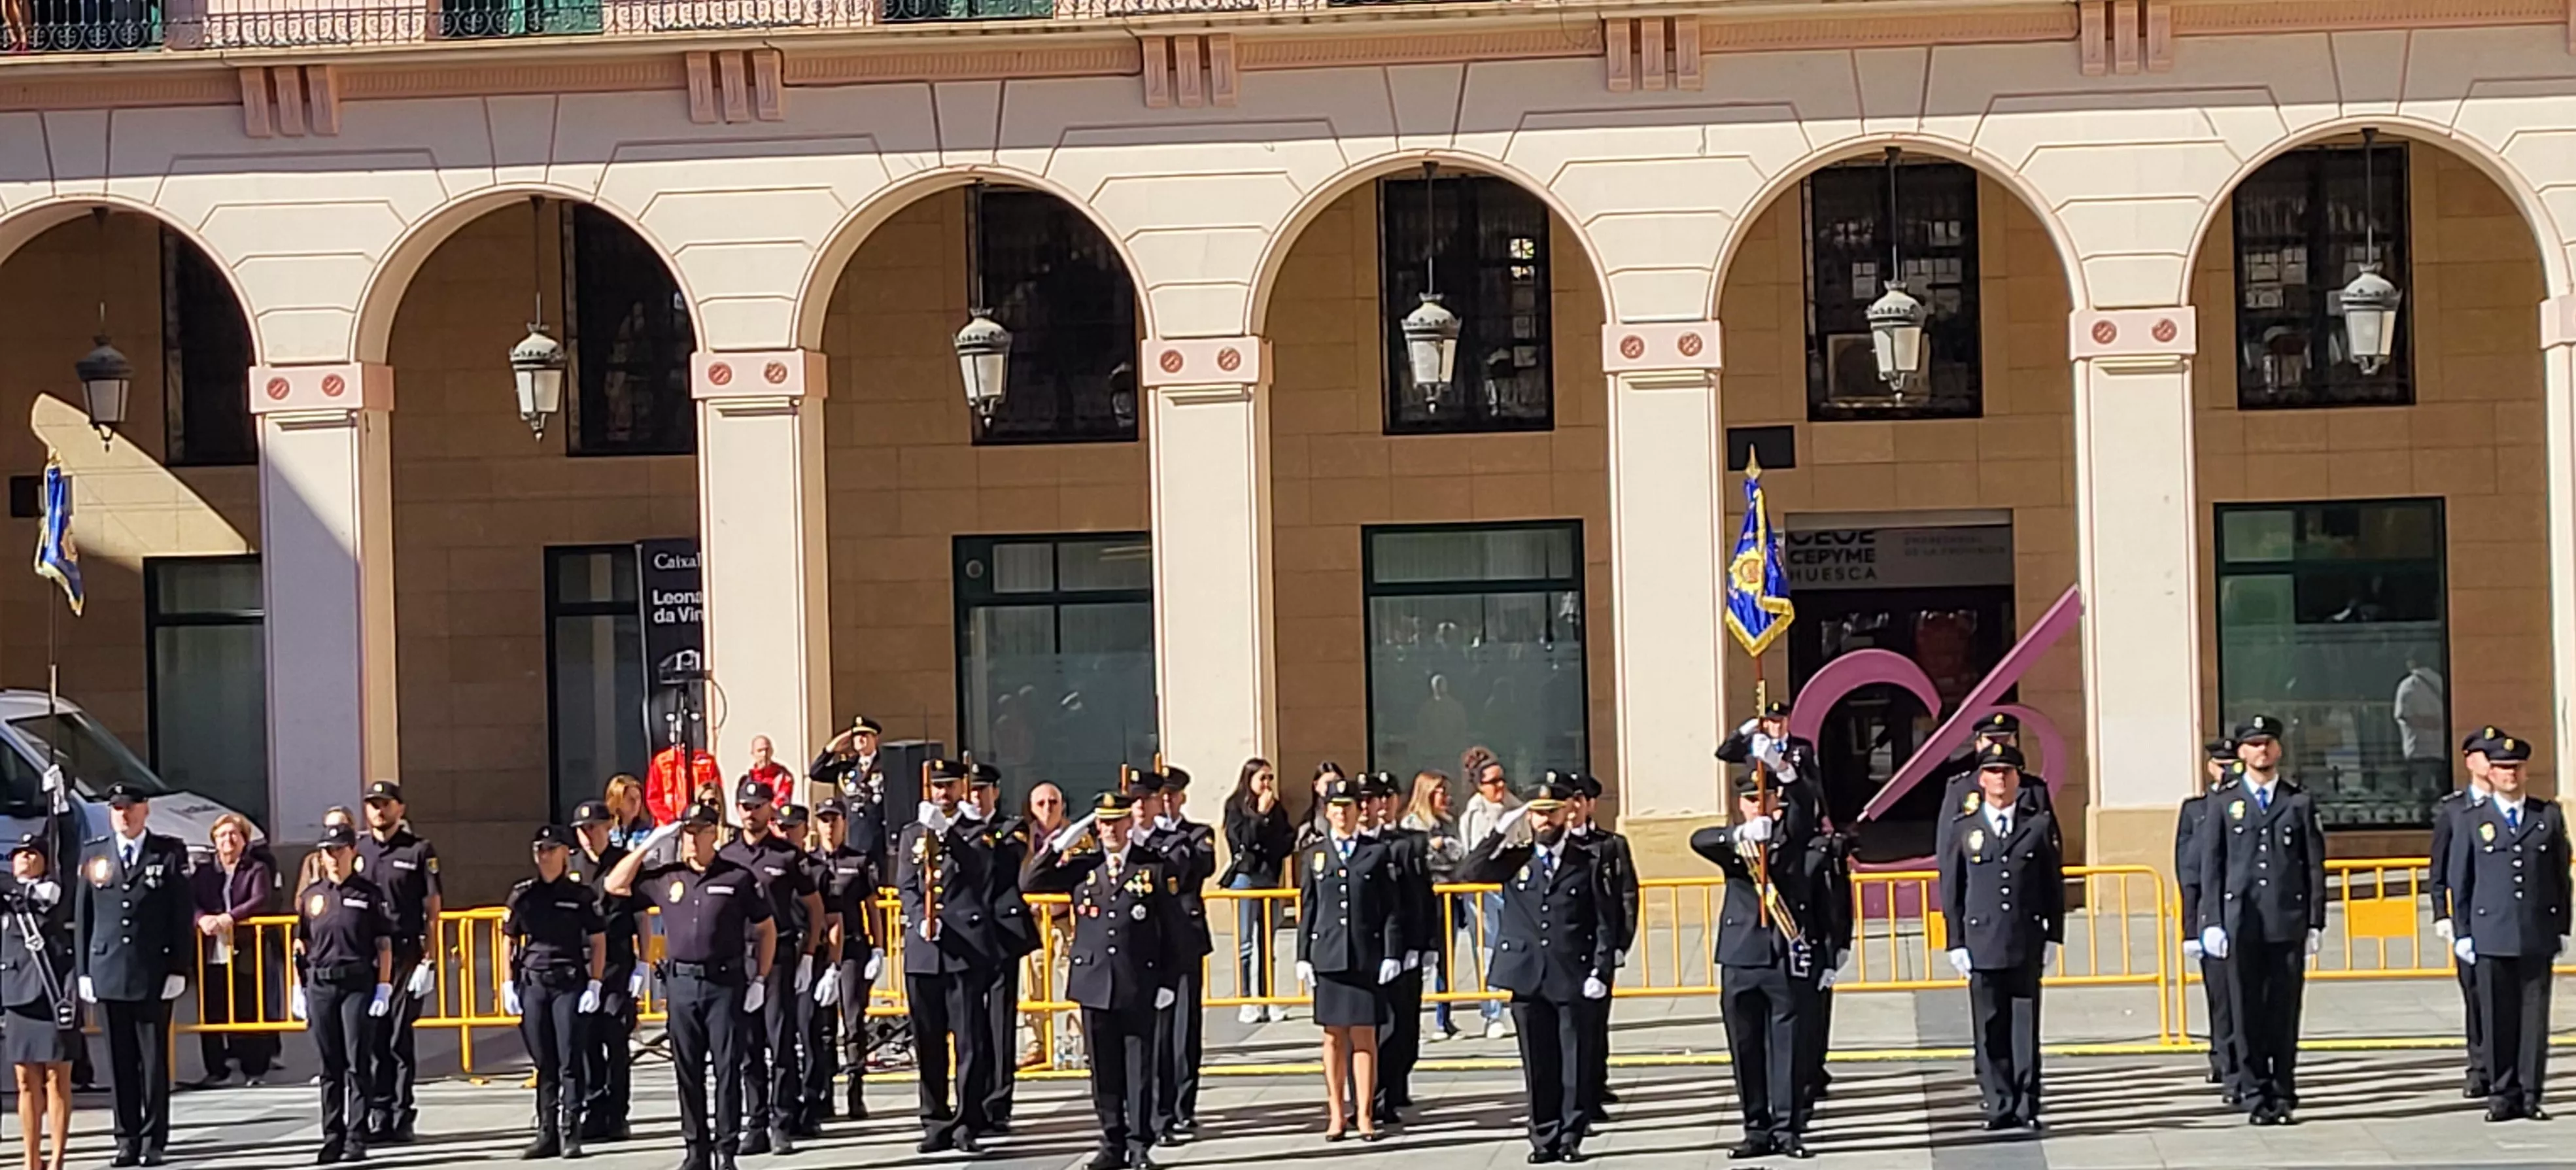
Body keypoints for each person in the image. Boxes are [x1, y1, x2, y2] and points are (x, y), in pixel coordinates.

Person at [604, 802, 778, 1170]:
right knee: (688, 1071)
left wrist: (759, 978)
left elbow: (766, 929)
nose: (692, 839)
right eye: (687, 832)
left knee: (728, 1070)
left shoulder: (737, 878)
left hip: (725, 983)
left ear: (715, 833)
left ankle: (726, 1150)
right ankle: (696, 1150)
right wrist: (650, 844)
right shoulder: (666, 877)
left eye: (700, 831)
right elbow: (614, 884)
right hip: (682, 984)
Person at [1021, 792, 1186, 1170]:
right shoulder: (1085, 866)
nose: (1110, 830)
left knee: (1139, 1069)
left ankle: (1140, 1144)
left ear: (1130, 823)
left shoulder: (1153, 868)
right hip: (1094, 982)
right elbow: (1033, 879)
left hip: (1138, 980)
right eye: (1103, 823)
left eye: (1117, 821)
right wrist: (1063, 839)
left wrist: (1167, 981)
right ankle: (1111, 1142)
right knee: (1104, 1071)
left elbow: (1175, 931)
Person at [1459, 776, 1616, 1165]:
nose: (1544, 821)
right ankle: (1543, 1137)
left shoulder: (1588, 859)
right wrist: (1498, 830)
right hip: (1527, 974)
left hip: (1571, 973)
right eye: (1537, 814)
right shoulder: (1517, 858)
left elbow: (1604, 921)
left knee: (1573, 1061)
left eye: (1551, 813)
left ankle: (1570, 1136)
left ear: (1567, 812)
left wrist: (1601, 969)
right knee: (1538, 1062)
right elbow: (1469, 872)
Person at [2194, 715, 2325, 1126]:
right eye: (2253, 745)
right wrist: (2211, 921)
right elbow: (2211, 866)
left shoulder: (2297, 801)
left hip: (2286, 920)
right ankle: (2254, 1091)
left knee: (2284, 1013)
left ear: (2279, 749)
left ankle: (2283, 1091)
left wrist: (2316, 922)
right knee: (2246, 1010)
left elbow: (2313, 866)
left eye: (2268, 743)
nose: (2261, 751)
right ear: (2242, 753)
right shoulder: (2223, 802)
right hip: (2241, 922)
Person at [1691, 770, 1821, 1161]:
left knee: (1787, 1047)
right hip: (1741, 956)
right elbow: (1698, 840)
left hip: (1781, 955)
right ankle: (1755, 1129)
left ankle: (1787, 1129)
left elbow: (1805, 806)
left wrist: (1786, 771)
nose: (1757, 807)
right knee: (1745, 1047)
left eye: (1765, 800)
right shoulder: (1735, 845)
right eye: (1750, 801)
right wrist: (1740, 835)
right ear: (1741, 805)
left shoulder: (1791, 839)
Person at [1939, 743, 2063, 1132]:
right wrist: (1955, 940)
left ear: (2018, 779)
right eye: (1993, 771)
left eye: (2008, 772)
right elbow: (1953, 889)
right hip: (1982, 940)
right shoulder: (1966, 828)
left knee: (2024, 1027)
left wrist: (2053, 936)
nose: (2000, 778)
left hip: (2024, 938)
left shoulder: (2037, 825)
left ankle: (2027, 1103)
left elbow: (2052, 886)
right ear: (1981, 779)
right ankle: (1998, 1103)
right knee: (1989, 1026)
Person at [2447, 735, 2568, 1122]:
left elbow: (2559, 878)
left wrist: (2562, 926)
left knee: (2534, 1021)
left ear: (2524, 771)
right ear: (2491, 772)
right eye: (2501, 769)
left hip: (2535, 933)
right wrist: (2462, 931)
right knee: (2497, 1018)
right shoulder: (2472, 820)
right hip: (2490, 932)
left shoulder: (2545, 816)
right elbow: (2460, 881)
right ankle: (2501, 1093)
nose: (2509, 775)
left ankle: (2530, 1094)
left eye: (2515, 768)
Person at [75, 782, 192, 1168]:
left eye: (129, 808)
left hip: (152, 970)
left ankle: (154, 1138)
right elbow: (83, 918)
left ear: (145, 811)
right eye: (116, 808)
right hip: (108, 969)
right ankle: (125, 1138)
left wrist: (179, 967)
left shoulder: (168, 853)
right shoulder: (95, 854)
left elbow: (180, 915)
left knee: (153, 1061)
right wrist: (84, 971)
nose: (123, 815)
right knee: (119, 1061)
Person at [897, 758, 1003, 1154]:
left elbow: (981, 871)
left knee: (970, 1039)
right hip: (926, 950)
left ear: (962, 789)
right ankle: (934, 1118)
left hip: (965, 948)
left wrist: (949, 834)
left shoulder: (977, 832)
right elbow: (907, 883)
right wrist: (917, 918)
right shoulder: (913, 833)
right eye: (938, 787)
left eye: (950, 787)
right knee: (928, 1038)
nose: (943, 794)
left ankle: (968, 1120)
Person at [719, 779, 823, 1157]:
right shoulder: (727, 856)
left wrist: (809, 955)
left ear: (770, 809)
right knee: (747, 1047)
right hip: (739, 958)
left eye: (758, 806)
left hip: (780, 955)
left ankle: (783, 1121)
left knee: (780, 1041)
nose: (751, 813)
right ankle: (756, 1122)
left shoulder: (787, 856)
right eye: (745, 806)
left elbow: (814, 907)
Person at [1296, 775, 1401, 1143]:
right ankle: (1336, 1113)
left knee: (1364, 1038)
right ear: (1327, 812)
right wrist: (1303, 956)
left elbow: (1390, 909)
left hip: (1365, 956)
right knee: (1333, 1038)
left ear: (1361, 811)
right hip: (1329, 956)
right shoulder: (1315, 854)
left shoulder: (1376, 852)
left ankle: (1366, 1114)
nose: (1341, 814)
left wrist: (1391, 953)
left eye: (1349, 807)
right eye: (1335, 808)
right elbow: (1309, 907)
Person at [500, 825, 607, 1159]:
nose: (543, 856)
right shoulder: (524, 894)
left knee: (569, 1058)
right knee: (544, 1060)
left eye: (550, 849)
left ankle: (570, 1130)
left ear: (565, 853)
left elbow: (598, 939)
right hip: (534, 982)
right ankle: (546, 1130)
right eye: (539, 850)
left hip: (569, 981)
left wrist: (595, 982)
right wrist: (506, 983)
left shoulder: (581, 896)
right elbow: (509, 937)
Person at [292, 821, 394, 1166]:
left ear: (352, 852)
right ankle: (331, 1135)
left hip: (356, 983)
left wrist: (384, 985)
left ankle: (356, 1135)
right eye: (327, 852)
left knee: (356, 1061)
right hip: (321, 983)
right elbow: (300, 942)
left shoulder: (368, 894)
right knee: (329, 1065)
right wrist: (298, 986)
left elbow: (383, 943)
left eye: (339, 850)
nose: (333, 858)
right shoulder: (311, 896)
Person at [354, 782, 439, 1146]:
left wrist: (430, 960)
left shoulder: (419, 850)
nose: (379, 812)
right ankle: (378, 1112)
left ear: (400, 809)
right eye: (373, 805)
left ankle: (402, 1115)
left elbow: (432, 908)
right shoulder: (358, 850)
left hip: (405, 953)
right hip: (367, 955)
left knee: (397, 1035)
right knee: (371, 1037)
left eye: (385, 805)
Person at [1143, 765, 1214, 1142]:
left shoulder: (1196, 834)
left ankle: (1184, 1105)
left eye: (1172, 795)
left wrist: (1170, 837)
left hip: (1185, 939)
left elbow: (1197, 868)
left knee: (1184, 1028)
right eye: (1160, 796)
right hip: (1148, 943)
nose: (1167, 801)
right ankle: (1157, 1107)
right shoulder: (1142, 839)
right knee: (1155, 1030)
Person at [2431, 727, 2502, 1101]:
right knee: (2475, 996)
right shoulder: (2455, 809)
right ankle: (2480, 1066)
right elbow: (2439, 868)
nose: (2492, 765)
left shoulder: (2516, 806)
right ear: (2469, 761)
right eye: (2484, 756)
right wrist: (2442, 915)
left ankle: (2505, 1066)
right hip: (2470, 918)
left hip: (2505, 918)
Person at [969, 763, 1040, 1131]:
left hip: (1000, 935)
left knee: (999, 1021)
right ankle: (971, 1101)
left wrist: (974, 832)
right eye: (972, 790)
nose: (977, 798)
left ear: (996, 792)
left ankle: (998, 1103)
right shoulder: (959, 830)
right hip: (966, 937)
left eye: (983, 791)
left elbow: (1002, 863)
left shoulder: (1012, 827)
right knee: (969, 1025)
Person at [568, 800, 642, 1142]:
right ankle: (594, 1107)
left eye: (593, 829)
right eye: (582, 831)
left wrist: (643, 963)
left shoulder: (623, 863)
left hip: (616, 964)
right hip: (581, 966)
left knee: (615, 1039)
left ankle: (617, 1113)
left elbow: (640, 914)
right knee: (586, 1041)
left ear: (607, 828)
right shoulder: (571, 864)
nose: (587, 836)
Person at [189, 812, 279, 1088]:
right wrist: (201, 918)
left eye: (234, 835)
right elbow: (190, 900)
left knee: (248, 1004)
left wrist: (231, 917)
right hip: (212, 946)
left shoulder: (256, 869)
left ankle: (254, 1067)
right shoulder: (205, 872)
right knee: (213, 1005)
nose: (228, 841)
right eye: (222, 835)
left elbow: (261, 899)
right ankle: (216, 1068)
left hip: (245, 945)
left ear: (244, 840)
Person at [1566, 774, 1636, 1119]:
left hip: (1599, 946)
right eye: (1569, 799)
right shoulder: (1553, 845)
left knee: (1595, 1022)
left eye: (1581, 799)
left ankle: (1594, 1086)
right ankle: (1576, 1094)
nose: (1574, 807)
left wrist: (1622, 942)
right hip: (1564, 949)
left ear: (1591, 804)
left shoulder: (1610, 844)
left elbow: (1627, 896)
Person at [4, 834, 77, 1170]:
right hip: (18, 993)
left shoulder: (58, 895)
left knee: (56, 1078)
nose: (25, 860)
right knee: (24, 1080)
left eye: (33, 854)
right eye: (19, 855)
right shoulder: (8, 896)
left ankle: (58, 1157)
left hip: (55, 992)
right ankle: (31, 1158)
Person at [2177, 738, 2244, 1102]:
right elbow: (2189, 873)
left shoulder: (2247, 807)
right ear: (2210, 768)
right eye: (2221, 765)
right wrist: (2191, 928)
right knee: (2220, 999)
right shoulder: (2196, 810)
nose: (2227, 771)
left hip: (2245, 916)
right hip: (2211, 916)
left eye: (2233, 764)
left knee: (2247, 997)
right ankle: (2224, 1061)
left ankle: (2245, 1067)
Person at [811, 797, 882, 1122]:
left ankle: (856, 1092)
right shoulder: (809, 862)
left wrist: (879, 948)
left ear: (844, 823)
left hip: (853, 947)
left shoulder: (859, 861)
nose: (829, 826)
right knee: (823, 1025)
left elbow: (872, 908)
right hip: (822, 950)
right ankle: (824, 1094)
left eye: (834, 819)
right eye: (824, 820)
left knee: (854, 1023)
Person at [1367, 772, 1432, 1129]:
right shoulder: (1359, 845)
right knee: (1378, 1027)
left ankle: (1396, 1085)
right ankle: (1376, 1097)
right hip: (1369, 948)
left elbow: (1421, 898)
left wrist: (1426, 944)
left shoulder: (1408, 844)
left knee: (1404, 1026)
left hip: (1405, 944)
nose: (1378, 805)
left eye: (1385, 797)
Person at [1222, 761, 1293, 1025]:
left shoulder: (1277, 808)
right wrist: (1260, 816)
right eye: (1262, 778)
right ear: (1249, 778)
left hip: (1269, 878)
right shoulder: (1236, 806)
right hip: (1246, 877)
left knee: (1267, 941)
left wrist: (1269, 820)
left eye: (1270, 778)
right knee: (1246, 943)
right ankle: (1247, 999)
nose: (1267, 784)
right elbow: (1243, 841)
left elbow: (1285, 840)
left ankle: (1268, 996)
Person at [1455, 749, 1518, 1039]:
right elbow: (1475, 857)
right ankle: (1492, 1012)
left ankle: (1515, 1003)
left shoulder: (1515, 808)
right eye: (1493, 782)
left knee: (1516, 946)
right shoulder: (1474, 814)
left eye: (1503, 780)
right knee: (1488, 949)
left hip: (1511, 887)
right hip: (1483, 892)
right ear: (1480, 785)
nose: (1500, 787)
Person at [1398, 771, 1465, 1041]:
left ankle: (1444, 1017)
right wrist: (1435, 847)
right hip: (1425, 897)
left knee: (1446, 958)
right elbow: (1421, 859)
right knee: (1425, 958)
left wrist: (1446, 848)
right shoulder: (1413, 824)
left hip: (1451, 896)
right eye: (1441, 792)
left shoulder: (1447, 823)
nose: (1446, 798)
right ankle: (1418, 1017)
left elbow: (1459, 854)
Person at [1935, 714, 2050, 857]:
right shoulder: (1960, 788)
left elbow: (2050, 845)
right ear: (1978, 745)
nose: (1998, 747)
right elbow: (1948, 848)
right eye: (1991, 740)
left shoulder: (2034, 789)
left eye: (2005, 740)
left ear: (2016, 743)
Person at [1716, 702, 1825, 827]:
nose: (1777, 726)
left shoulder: (1802, 747)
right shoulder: (1754, 746)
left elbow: (1812, 781)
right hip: (1760, 807)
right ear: (1765, 723)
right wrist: (1741, 732)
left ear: (1787, 721)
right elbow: (1724, 753)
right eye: (1773, 721)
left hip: (1790, 809)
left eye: (1781, 721)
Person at [809, 716, 892, 868]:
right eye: (856, 736)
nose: (860, 739)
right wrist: (831, 748)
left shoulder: (888, 764)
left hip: (878, 837)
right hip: (852, 837)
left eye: (865, 736)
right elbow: (816, 772)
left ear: (875, 738)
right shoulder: (847, 768)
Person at [647, 741, 723, 828]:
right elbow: (653, 798)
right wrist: (670, 819)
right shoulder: (661, 761)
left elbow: (717, 794)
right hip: (669, 827)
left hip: (702, 823)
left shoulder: (707, 762)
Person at [296, 806, 359, 894]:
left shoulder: (364, 856)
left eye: (340, 827)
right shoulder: (313, 862)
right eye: (328, 827)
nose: (334, 832)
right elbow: (302, 900)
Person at [602, 776, 654, 851]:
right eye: (631, 799)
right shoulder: (606, 832)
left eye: (638, 798)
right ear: (617, 802)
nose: (636, 804)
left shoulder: (649, 831)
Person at [744, 737, 798, 808]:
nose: (764, 754)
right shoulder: (747, 779)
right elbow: (742, 804)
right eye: (760, 751)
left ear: (772, 751)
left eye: (767, 750)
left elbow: (779, 805)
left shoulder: (783, 776)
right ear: (753, 754)